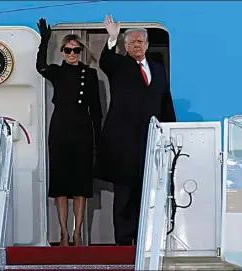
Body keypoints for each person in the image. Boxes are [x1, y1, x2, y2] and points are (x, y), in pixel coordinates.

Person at [94, 15, 176, 246]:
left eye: (141, 42)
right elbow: (105, 61)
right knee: (125, 195)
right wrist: (112, 38)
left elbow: (165, 101)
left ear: (147, 45)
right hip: (124, 143)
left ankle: (145, 238)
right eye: (132, 42)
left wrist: (170, 130)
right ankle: (123, 241)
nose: (137, 45)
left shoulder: (157, 69)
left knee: (147, 193)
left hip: (151, 143)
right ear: (126, 46)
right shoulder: (118, 65)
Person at [35, 18, 103, 246]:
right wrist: (45, 41)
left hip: (82, 130)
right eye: (67, 50)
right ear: (63, 52)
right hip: (60, 130)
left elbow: (96, 110)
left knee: (81, 186)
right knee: (61, 185)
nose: (72, 53)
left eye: (75, 50)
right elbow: (40, 66)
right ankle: (63, 233)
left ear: (81, 51)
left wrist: (98, 139)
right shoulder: (57, 72)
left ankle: (77, 233)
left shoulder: (90, 75)